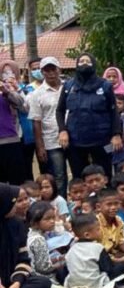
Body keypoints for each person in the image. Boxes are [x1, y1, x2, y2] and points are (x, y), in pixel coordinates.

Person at [56, 52, 122, 178]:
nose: (84, 64)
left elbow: (113, 111)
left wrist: (116, 134)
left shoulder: (105, 85)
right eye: (81, 61)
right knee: (79, 177)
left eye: (88, 61)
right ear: (77, 65)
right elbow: (60, 110)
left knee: (105, 175)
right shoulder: (68, 86)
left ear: (94, 64)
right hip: (75, 140)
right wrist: (62, 130)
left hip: (102, 140)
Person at [0, 185, 51, 288]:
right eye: (13, 202)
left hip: (11, 283)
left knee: (43, 283)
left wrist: (17, 283)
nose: (15, 206)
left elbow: (23, 259)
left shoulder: (16, 225)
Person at [28, 57, 67, 197]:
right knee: (59, 176)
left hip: (73, 137)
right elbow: (36, 121)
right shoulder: (36, 94)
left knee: (78, 171)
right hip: (51, 140)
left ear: (59, 69)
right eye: (47, 70)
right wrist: (40, 147)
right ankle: (61, 202)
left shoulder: (68, 88)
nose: (51, 73)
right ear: (42, 72)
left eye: (53, 69)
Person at [65, 213, 124, 288]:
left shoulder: (71, 250)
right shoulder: (98, 248)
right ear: (87, 235)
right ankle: (117, 285)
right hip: (97, 285)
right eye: (98, 229)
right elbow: (108, 269)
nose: (101, 231)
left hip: (77, 287)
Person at [0, 60, 28, 185]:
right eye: (4, 72)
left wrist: (8, 92)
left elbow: (23, 106)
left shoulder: (8, 91)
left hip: (11, 139)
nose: (7, 75)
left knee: (16, 181)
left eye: (10, 72)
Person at [26, 201, 67, 284]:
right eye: (47, 219)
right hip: (41, 279)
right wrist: (63, 262)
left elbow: (41, 260)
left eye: (53, 217)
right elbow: (44, 268)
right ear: (35, 223)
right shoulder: (38, 239)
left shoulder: (32, 233)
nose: (52, 221)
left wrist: (58, 258)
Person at [96, 188, 124, 260]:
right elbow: (96, 251)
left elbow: (121, 243)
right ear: (98, 207)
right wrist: (118, 260)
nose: (113, 207)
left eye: (116, 204)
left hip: (113, 253)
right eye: (109, 204)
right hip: (99, 257)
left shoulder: (119, 221)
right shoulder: (95, 224)